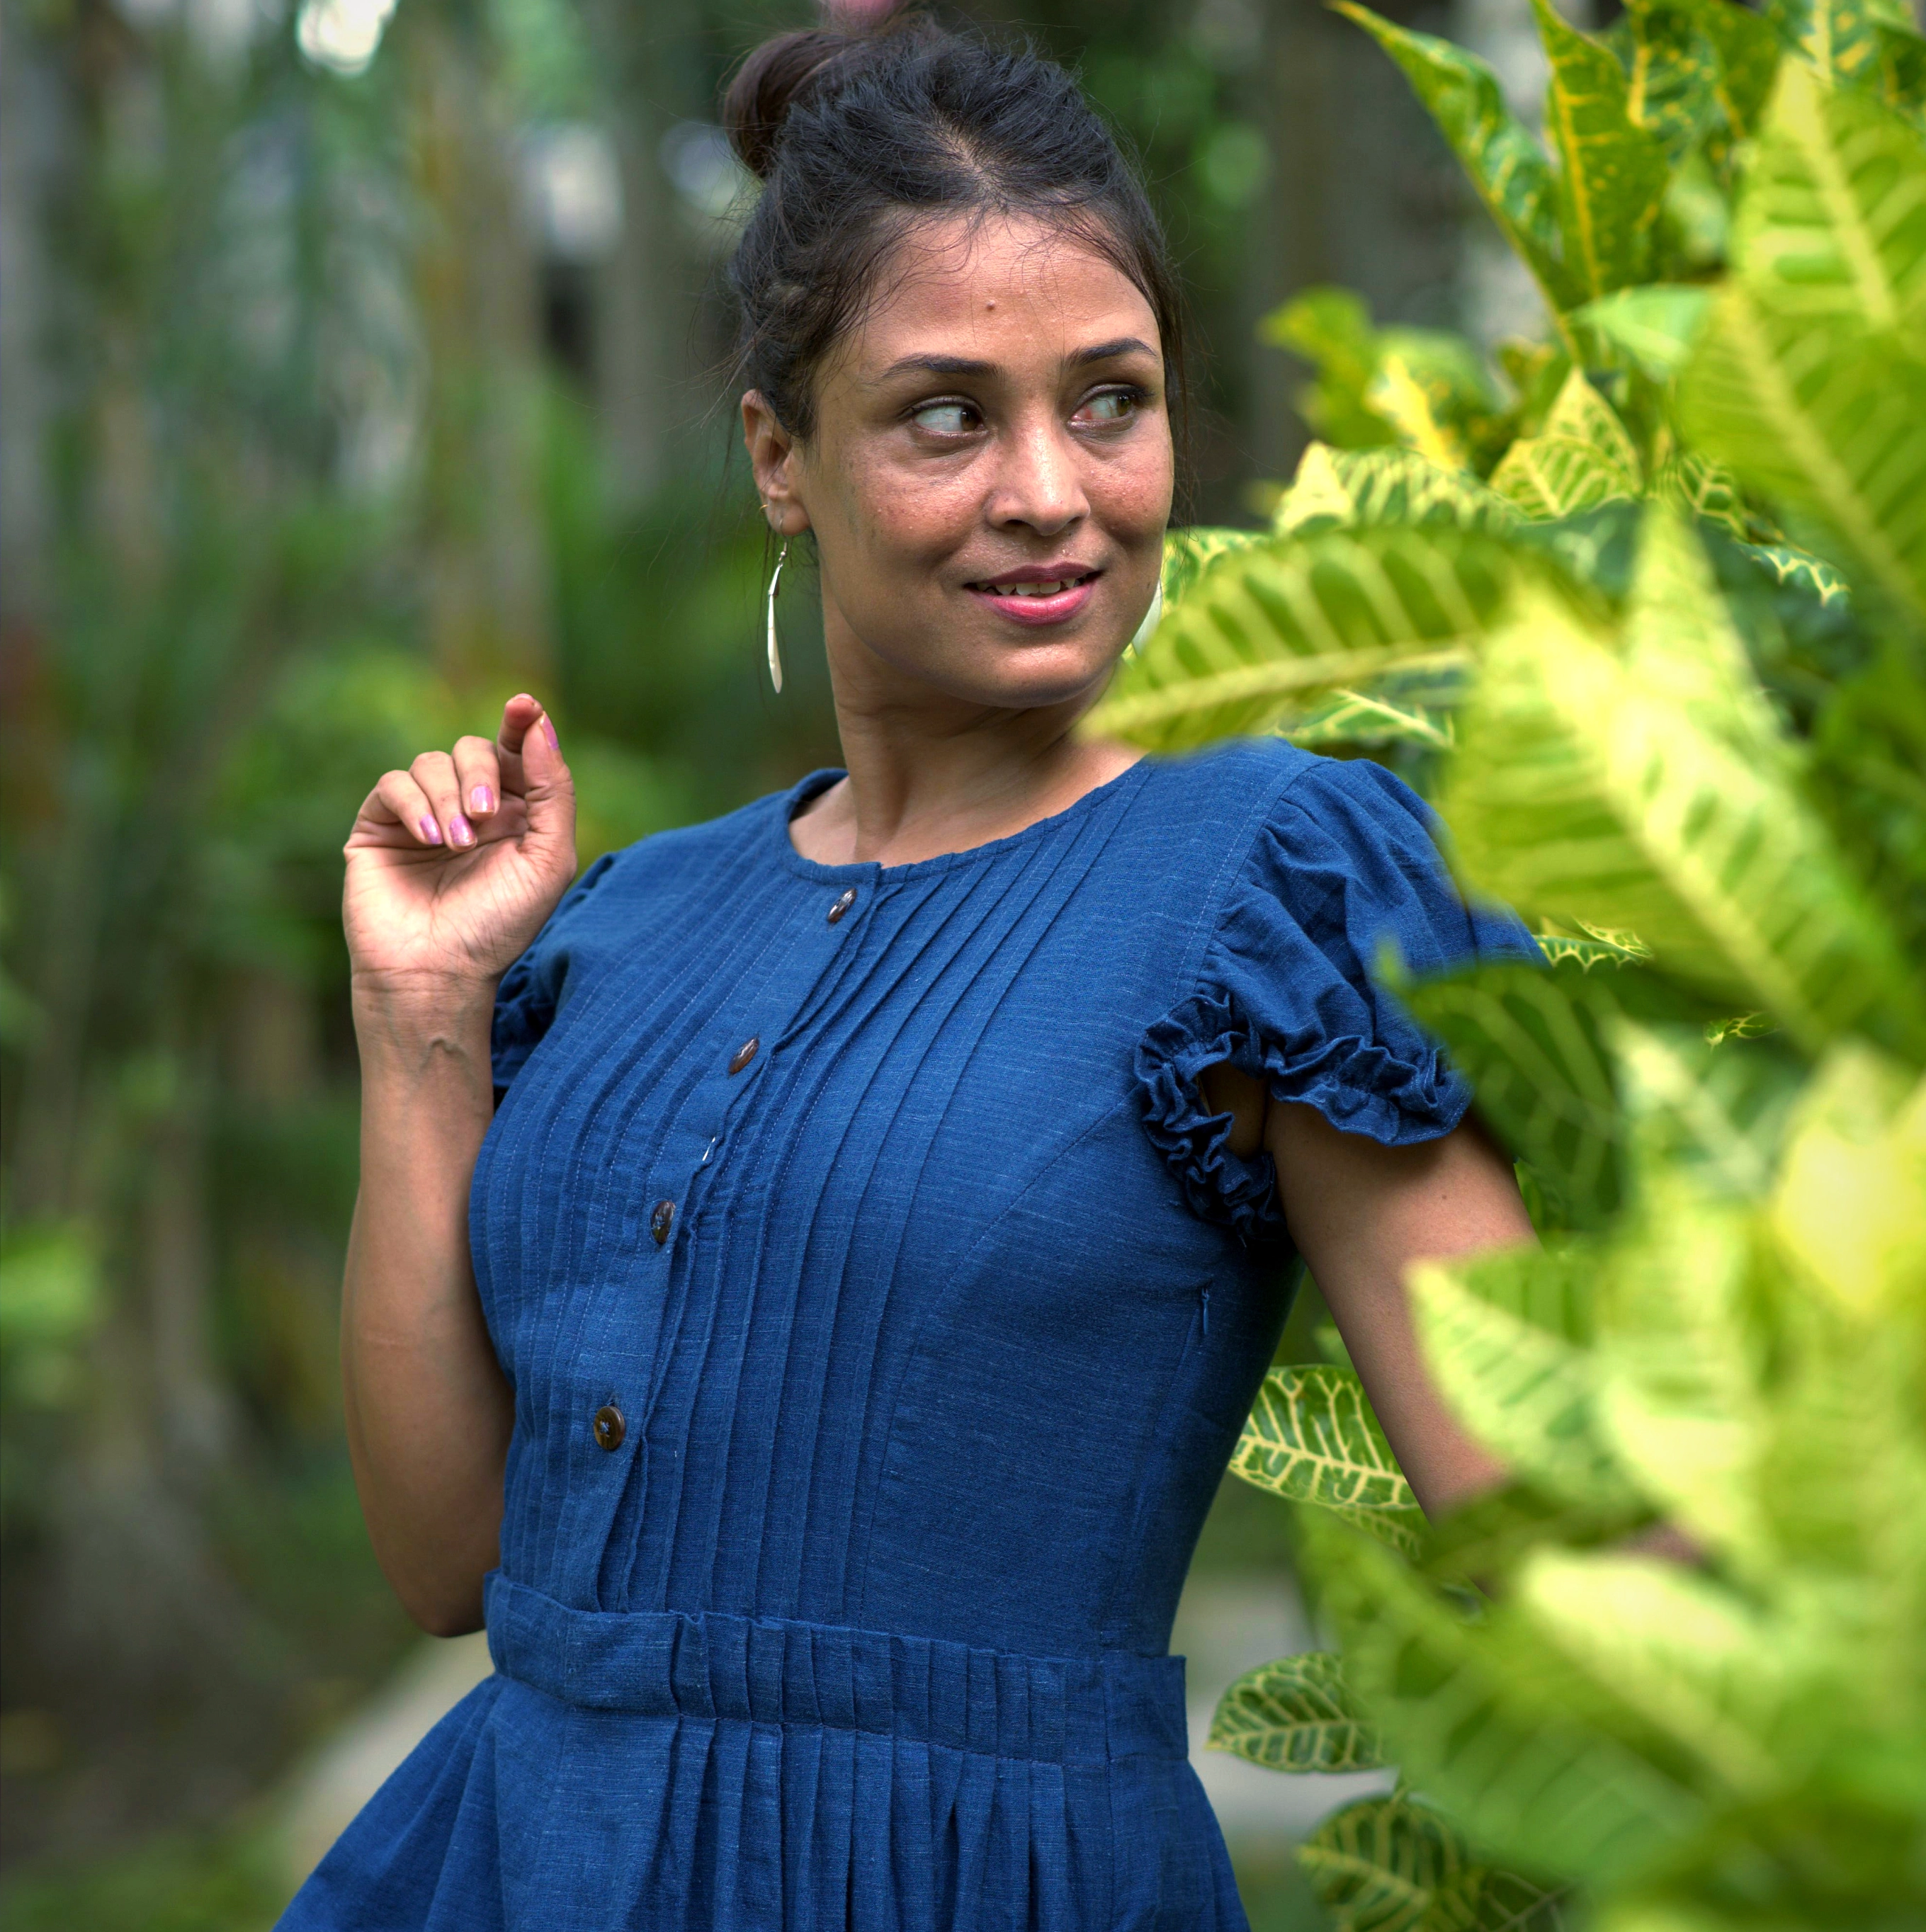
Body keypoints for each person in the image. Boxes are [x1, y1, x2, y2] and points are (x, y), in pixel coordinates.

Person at [283, 17, 1539, 1930]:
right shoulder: (628, 922)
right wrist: (420, 1020)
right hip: (512, 1865)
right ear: (781, 457)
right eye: (949, 415)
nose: (1051, 488)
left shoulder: (1270, 881)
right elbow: (454, 1557)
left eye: (1109, 400)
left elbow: (1550, 1542)